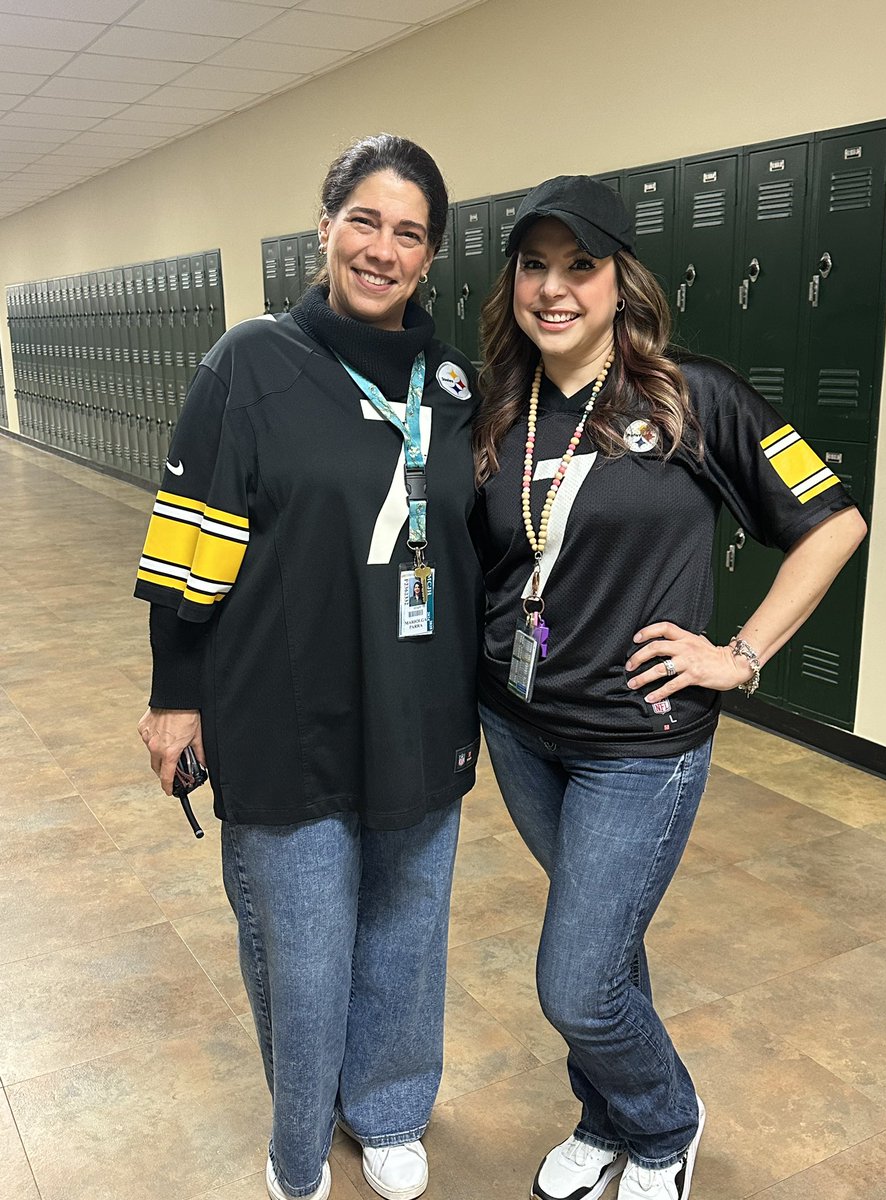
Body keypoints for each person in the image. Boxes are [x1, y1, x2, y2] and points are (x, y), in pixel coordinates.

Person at [472, 175, 867, 1200]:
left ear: (619, 280)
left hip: (638, 745)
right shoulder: (499, 406)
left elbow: (834, 525)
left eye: (580, 266)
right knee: (602, 947)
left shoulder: (692, 396)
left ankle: (664, 1125)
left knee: (576, 981)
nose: (553, 289)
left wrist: (740, 653)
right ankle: (603, 1118)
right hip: (519, 727)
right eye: (534, 266)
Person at [134, 134, 483, 1200]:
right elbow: (189, 544)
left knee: (407, 934)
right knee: (306, 952)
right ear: (326, 225)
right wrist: (172, 695)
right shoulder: (252, 363)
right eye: (366, 221)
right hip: (284, 709)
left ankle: (387, 1110)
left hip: (420, 706)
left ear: (431, 256)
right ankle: (298, 1150)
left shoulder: (456, 379)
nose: (384, 248)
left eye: (409, 232)